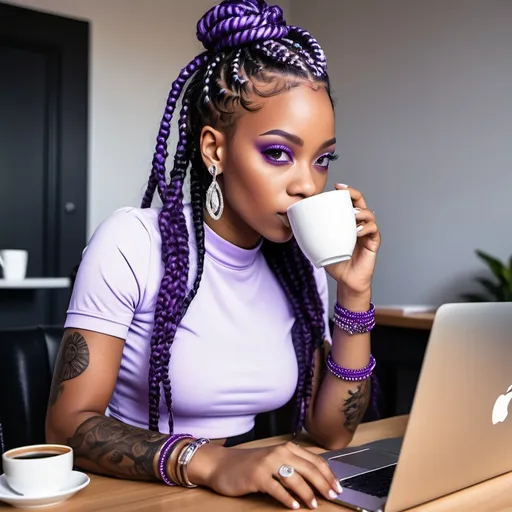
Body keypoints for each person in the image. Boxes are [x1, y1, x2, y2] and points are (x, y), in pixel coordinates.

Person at [46, 1, 381, 509]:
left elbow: (332, 434)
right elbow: (68, 427)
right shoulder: (132, 243)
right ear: (214, 149)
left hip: (244, 493)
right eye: (277, 153)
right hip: (132, 497)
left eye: (322, 159)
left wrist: (354, 293)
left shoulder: (301, 265)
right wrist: (216, 463)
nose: (307, 185)